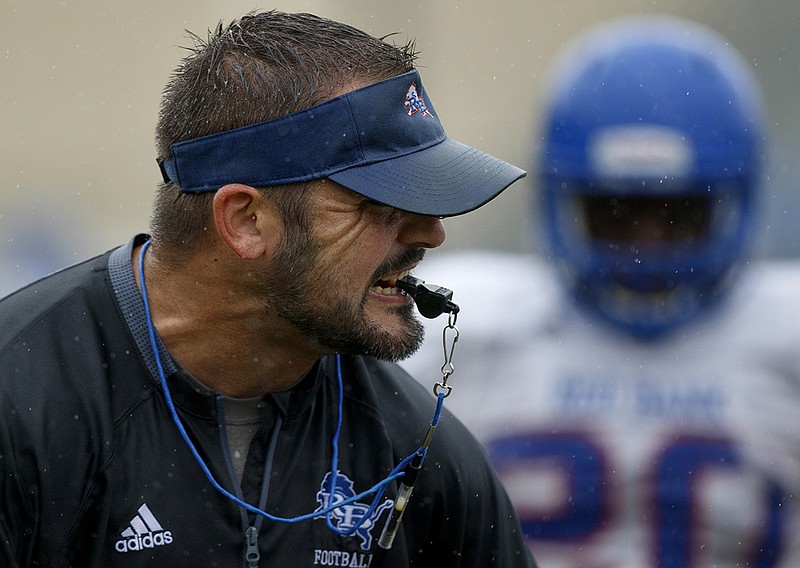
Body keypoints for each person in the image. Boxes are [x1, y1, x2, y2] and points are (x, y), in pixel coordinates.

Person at [0, 11, 537, 567]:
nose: (432, 231)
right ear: (246, 220)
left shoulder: (418, 448)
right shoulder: (21, 403)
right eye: (379, 204)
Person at [403, 15, 800, 567]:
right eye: (615, 214)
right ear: (560, 200)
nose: (647, 244)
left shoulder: (787, 340)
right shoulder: (469, 331)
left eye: (678, 214)